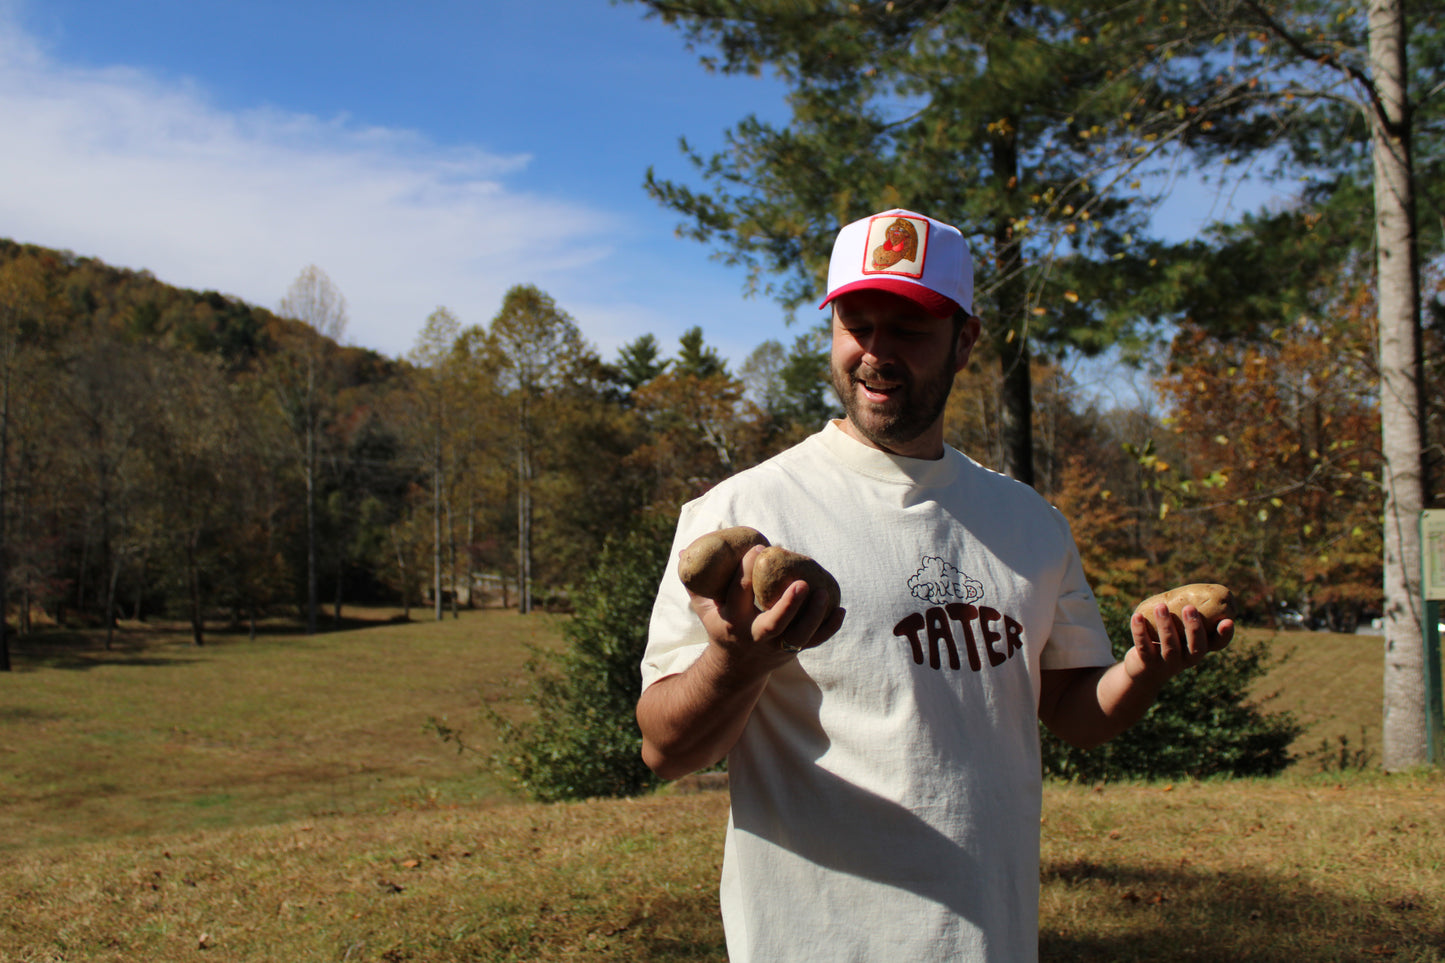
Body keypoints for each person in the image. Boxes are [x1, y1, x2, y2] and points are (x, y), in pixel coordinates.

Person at [635, 208, 1232, 962]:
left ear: (965, 340)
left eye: (909, 330)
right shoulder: (742, 513)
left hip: (988, 939)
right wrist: (737, 659)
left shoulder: (1028, 523)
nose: (875, 353)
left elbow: (1074, 713)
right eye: (856, 326)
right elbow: (665, 749)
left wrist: (1146, 667)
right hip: (813, 941)